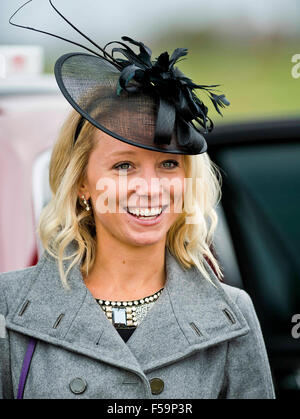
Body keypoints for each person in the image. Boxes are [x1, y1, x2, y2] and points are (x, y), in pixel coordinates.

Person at [0, 0, 275, 399]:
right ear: (81, 183)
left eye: (167, 164)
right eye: (124, 166)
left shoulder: (232, 314)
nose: (150, 187)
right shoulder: (11, 306)